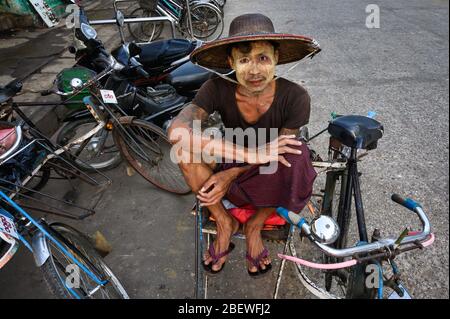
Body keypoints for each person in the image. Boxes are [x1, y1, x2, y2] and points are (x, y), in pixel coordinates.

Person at [168, 13, 320, 277]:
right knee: (182, 149)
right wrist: (249, 154)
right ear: (231, 62)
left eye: (263, 58)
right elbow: (176, 132)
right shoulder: (215, 88)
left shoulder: (296, 96)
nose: (254, 71)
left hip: (271, 170)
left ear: (276, 58)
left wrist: (230, 174)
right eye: (244, 59)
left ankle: (254, 226)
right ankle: (224, 222)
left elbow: (281, 152)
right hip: (237, 154)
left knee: (296, 154)